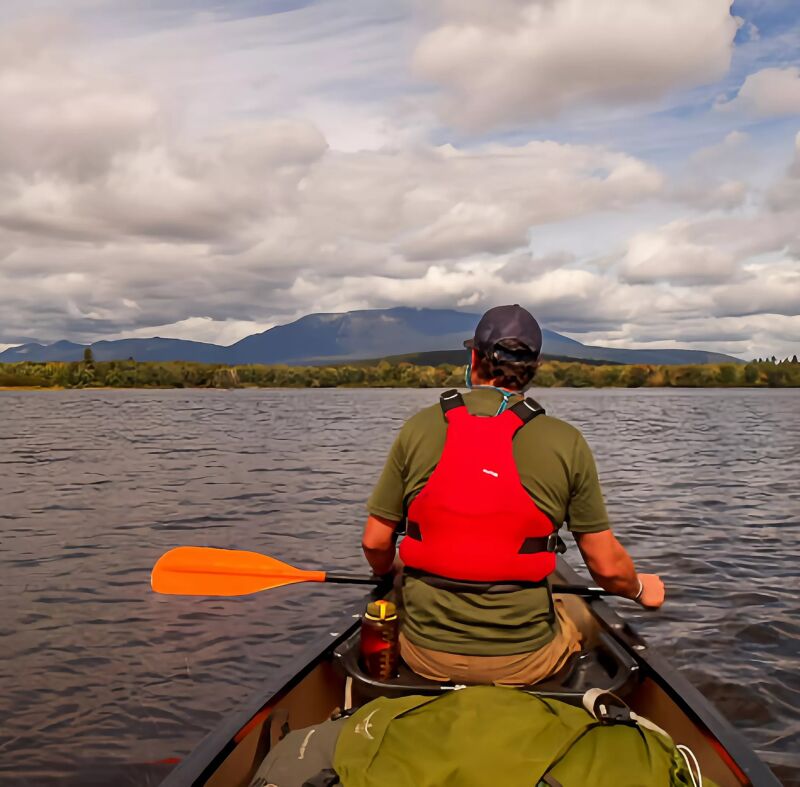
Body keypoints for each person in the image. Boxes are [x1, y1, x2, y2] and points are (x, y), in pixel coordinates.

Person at [361, 304, 665, 686]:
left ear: (473, 359)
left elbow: (375, 542)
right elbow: (606, 568)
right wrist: (640, 589)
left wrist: (385, 575)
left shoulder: (418, 428)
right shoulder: (565, 441)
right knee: (581, 614)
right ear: (533, 368)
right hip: (526, 659)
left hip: (425, 655)